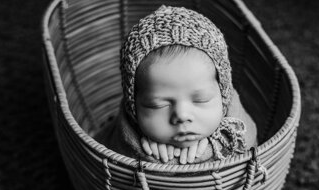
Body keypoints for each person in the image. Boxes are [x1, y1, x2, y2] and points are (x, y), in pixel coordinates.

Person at [96, 5, 257, 164]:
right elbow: (107, 151)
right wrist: (146, 153)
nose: (181, 115)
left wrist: (212, 147)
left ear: (223, 95)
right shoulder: (126, 124)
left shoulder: (233, 119)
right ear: (133, 107)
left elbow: (247, 140)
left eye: (201, 99)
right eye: (157, 105)